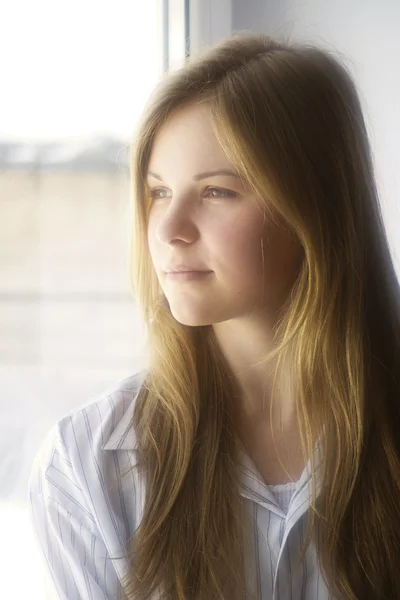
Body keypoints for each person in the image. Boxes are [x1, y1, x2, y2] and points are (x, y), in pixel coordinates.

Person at [28, 32, 400, 600]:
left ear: (315, 207)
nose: (169, 229)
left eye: (217, 193)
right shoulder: (84, 466)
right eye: (158, 192)